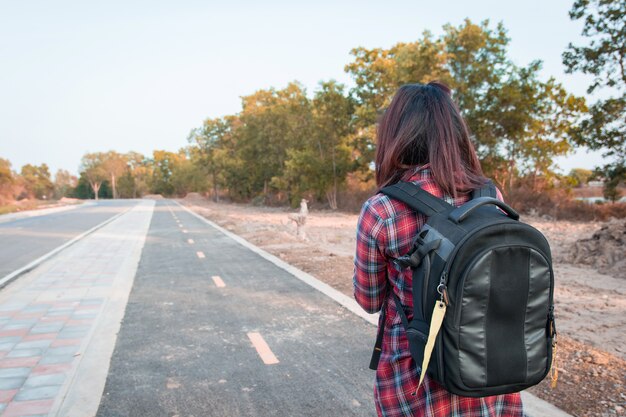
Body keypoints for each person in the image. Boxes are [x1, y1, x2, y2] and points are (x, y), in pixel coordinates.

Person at [353, 82, 524, 417]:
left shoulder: (382, 209)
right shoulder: (491, 196)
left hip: (415, 387)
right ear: (453, 132)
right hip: (489, 380)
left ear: (395, 135)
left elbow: (369, 300)